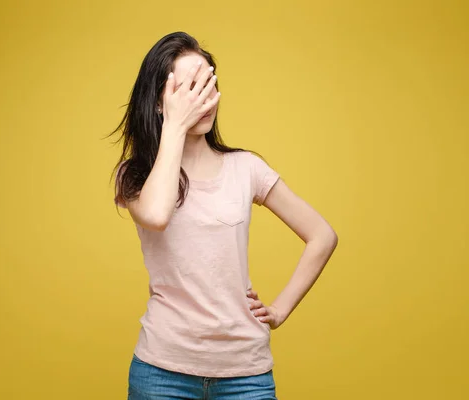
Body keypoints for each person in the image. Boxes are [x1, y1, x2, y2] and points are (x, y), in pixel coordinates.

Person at [111, 31, 338, 400]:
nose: (201, 98)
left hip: (245, 374)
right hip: (162, 373)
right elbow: (155, 214)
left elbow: (322, 235)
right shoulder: (135, 174)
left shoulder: (246, 168)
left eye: (207, 84)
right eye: (187, 88)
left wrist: (279, 309)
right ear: (157, 102)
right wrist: (174, 125)